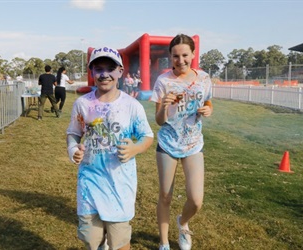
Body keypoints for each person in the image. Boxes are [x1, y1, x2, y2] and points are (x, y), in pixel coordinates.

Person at [66, 47, 154, 250]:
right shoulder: (82, 104)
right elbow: (73, 132)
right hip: (90, 183)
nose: (104, 74)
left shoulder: (132, 106)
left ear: (120, 71)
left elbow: (147, 136)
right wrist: (72, 149)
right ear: (92, 72)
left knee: (120, 243)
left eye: (110, 69)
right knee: (91, 240)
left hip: (119, 186)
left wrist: (135, 149)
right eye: (98, 69)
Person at [150, 34, 213, 250]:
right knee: (165, 195)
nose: (180, 60)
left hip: (194, 144)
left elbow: (208, 102)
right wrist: (164, 107)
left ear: (193, 54)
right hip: (168, 144)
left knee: (196, 200)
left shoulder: (203, 78)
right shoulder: (163, 81)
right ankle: (164, 242)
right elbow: (158, 121)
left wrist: (208, 109)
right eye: (175, 56)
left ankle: (183, 223)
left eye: (185, 55)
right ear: (170, 56)